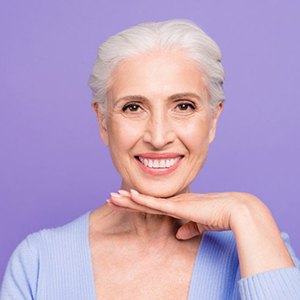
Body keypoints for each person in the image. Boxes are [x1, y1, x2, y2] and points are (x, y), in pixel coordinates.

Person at [1, 19, 300, 300]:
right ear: (103, 121)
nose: (158, 137)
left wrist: (249, 210)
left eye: (183, 106)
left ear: (212, 120)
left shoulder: (258, 247)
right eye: (133, 107)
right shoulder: (38, 261)